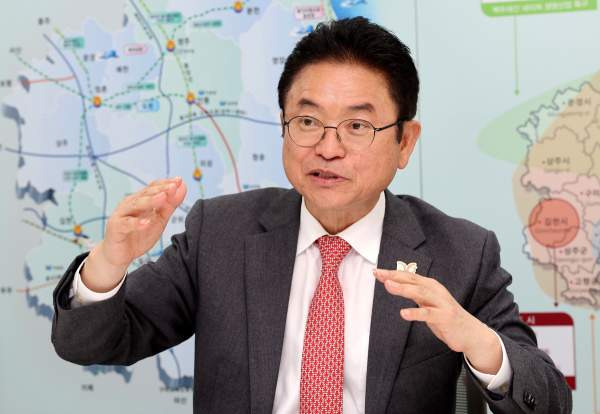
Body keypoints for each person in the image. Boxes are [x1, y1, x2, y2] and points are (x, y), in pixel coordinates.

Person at [51, 17, 572, 414]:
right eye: (307, 121)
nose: (327, 147)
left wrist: (478, 343)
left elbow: (548, 401)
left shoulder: (459, 252)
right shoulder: (221, 234)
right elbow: (91, 343)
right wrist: (108, 264)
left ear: (404, 142)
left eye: (357, 127)